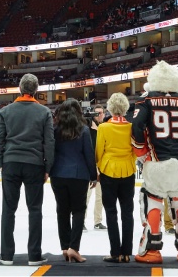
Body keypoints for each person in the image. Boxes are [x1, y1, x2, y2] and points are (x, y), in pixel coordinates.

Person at [132, 61, 178, 264]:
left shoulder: (146, 100)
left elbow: (136, 127)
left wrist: (142, 152)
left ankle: (152, 251)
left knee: (152, 199)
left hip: (157, 162)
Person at [0, 73, 55, 266]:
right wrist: (48, 167)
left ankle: (6, 255)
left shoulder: (5, 111)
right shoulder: (44, 112)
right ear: (36, 90)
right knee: (35, 210)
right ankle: (34, 256)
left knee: (8, 210)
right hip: (35, 164)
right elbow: (49, 142)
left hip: (11, 163)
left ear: (20, 89)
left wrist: (0, 163)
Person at [49, 99, 97, 263]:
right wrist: (93, 175)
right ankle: (74, 248)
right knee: (78, 211)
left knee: (62, 211)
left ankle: (64, 247)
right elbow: (89, 155)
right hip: (78, 175)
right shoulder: (83, 130)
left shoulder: (54, 130)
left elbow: (50, 151)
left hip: (58, 174)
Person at [96, 93, 136, 263]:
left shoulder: (103, 127)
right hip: (128, 171)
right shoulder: (131, 127)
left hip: (108, 171)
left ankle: (115, 252)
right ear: (125, 108)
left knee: (111, 212)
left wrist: (99, 167)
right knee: (127, 212)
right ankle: (127, 252)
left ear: (110, 108)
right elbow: (135, 150)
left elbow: (99, 151)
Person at [85, 104, 106, 231]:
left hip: (102, 166)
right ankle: (81, 220)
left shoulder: (105, 128)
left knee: (100, 196)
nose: (99, 115)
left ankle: (98, 221)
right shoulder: (87, 129)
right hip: (90, 166)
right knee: (86, 195)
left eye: (101, 113)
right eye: (97, 113)